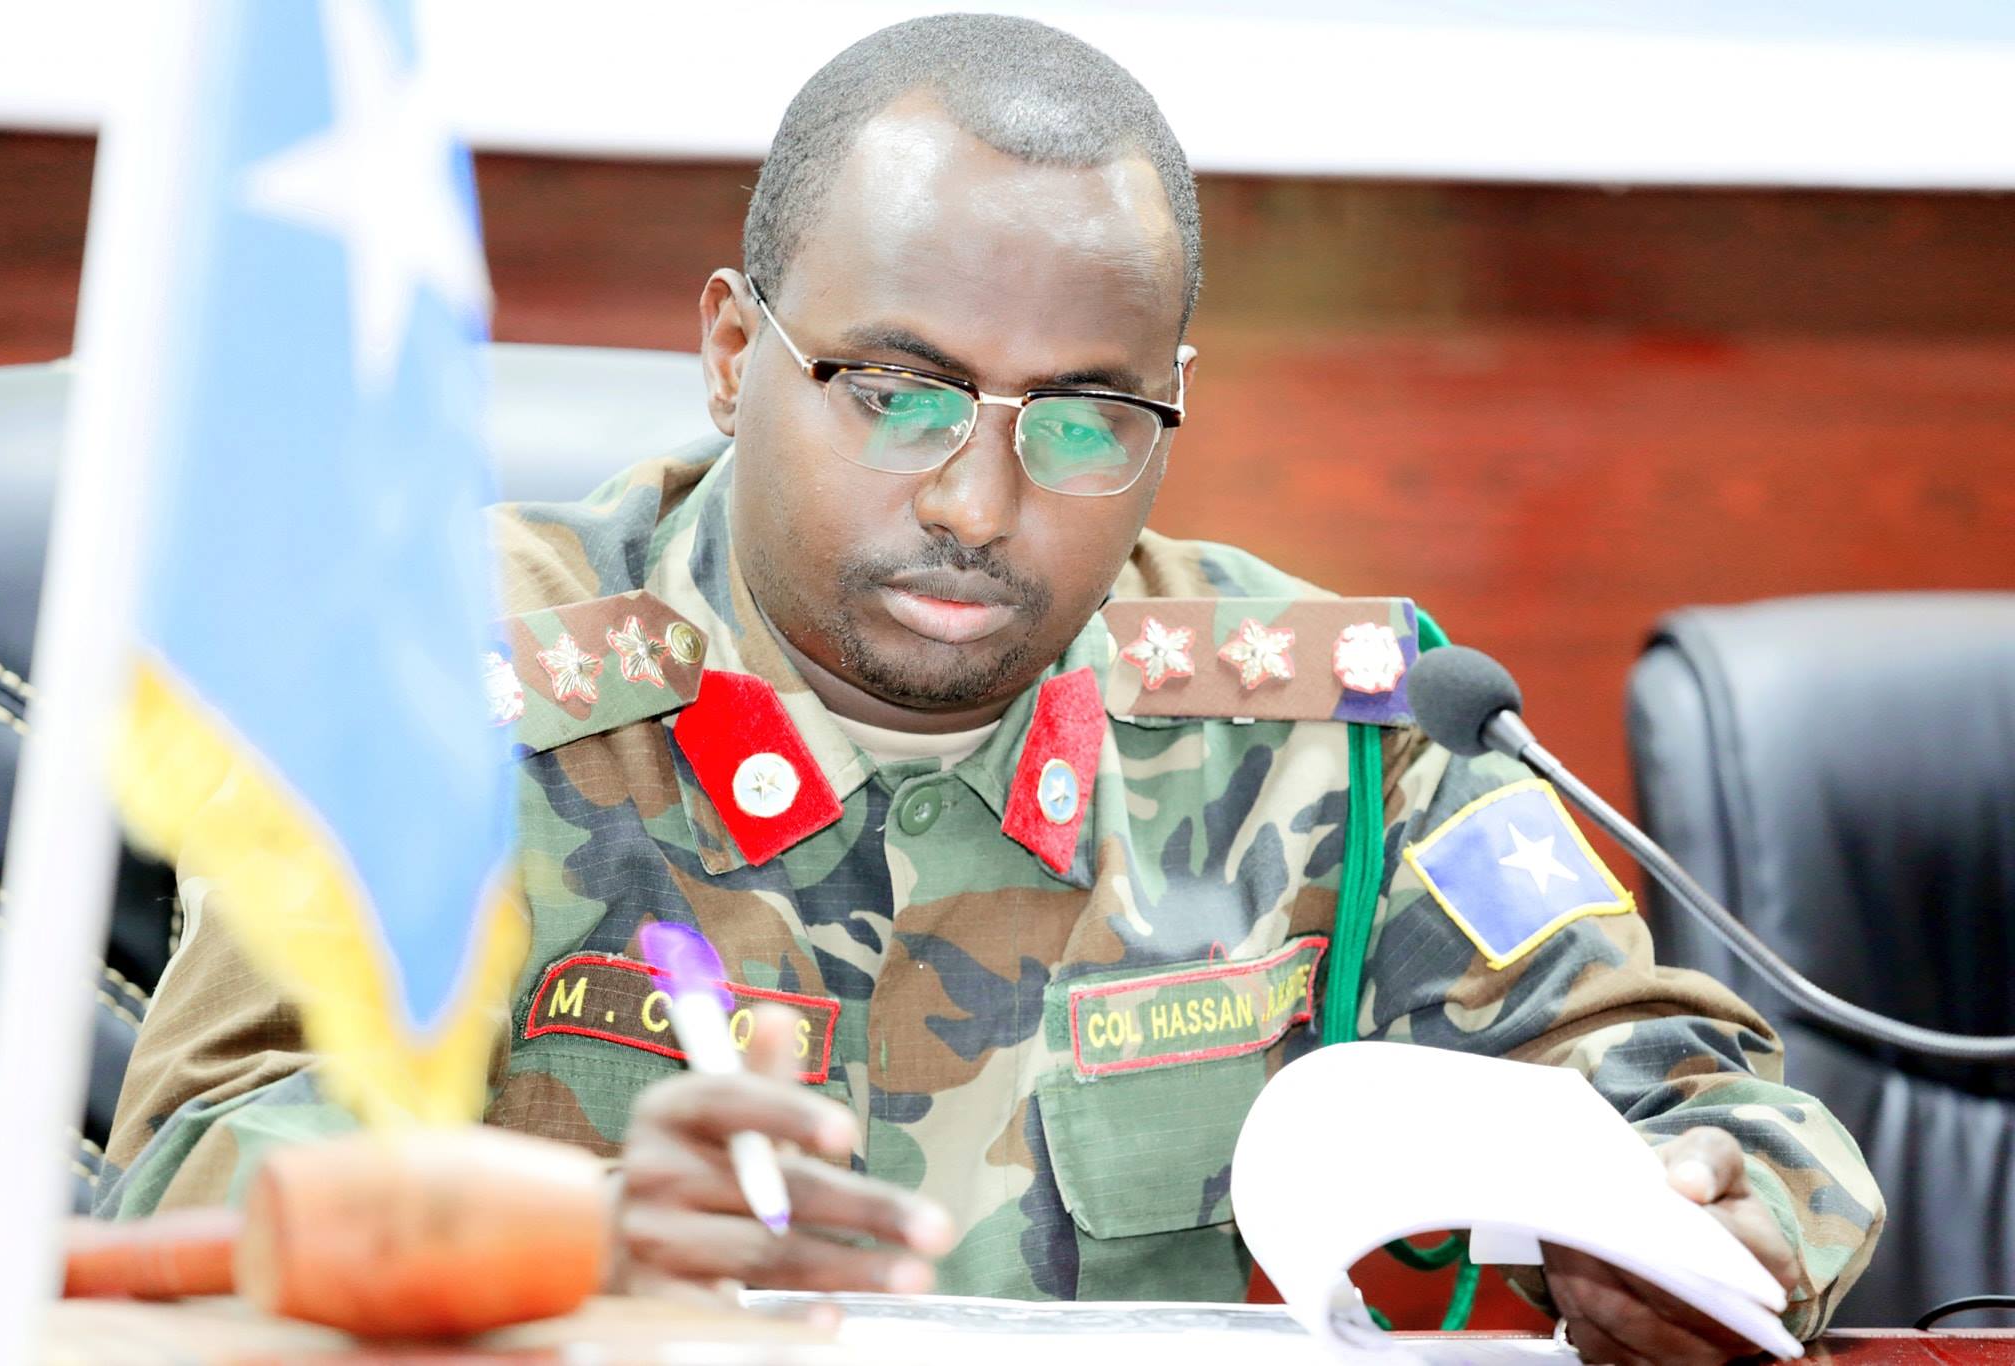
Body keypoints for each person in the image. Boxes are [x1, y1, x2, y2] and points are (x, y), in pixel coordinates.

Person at [103, 14, 1882, 1361]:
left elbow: (1720, 1115)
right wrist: (566, 1240)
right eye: (897, 392)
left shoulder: (1338, 737)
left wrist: (1713, 1224)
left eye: (1087, 419)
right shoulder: (428, 679)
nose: (976, 499)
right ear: (731, 351)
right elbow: (182, 1186)